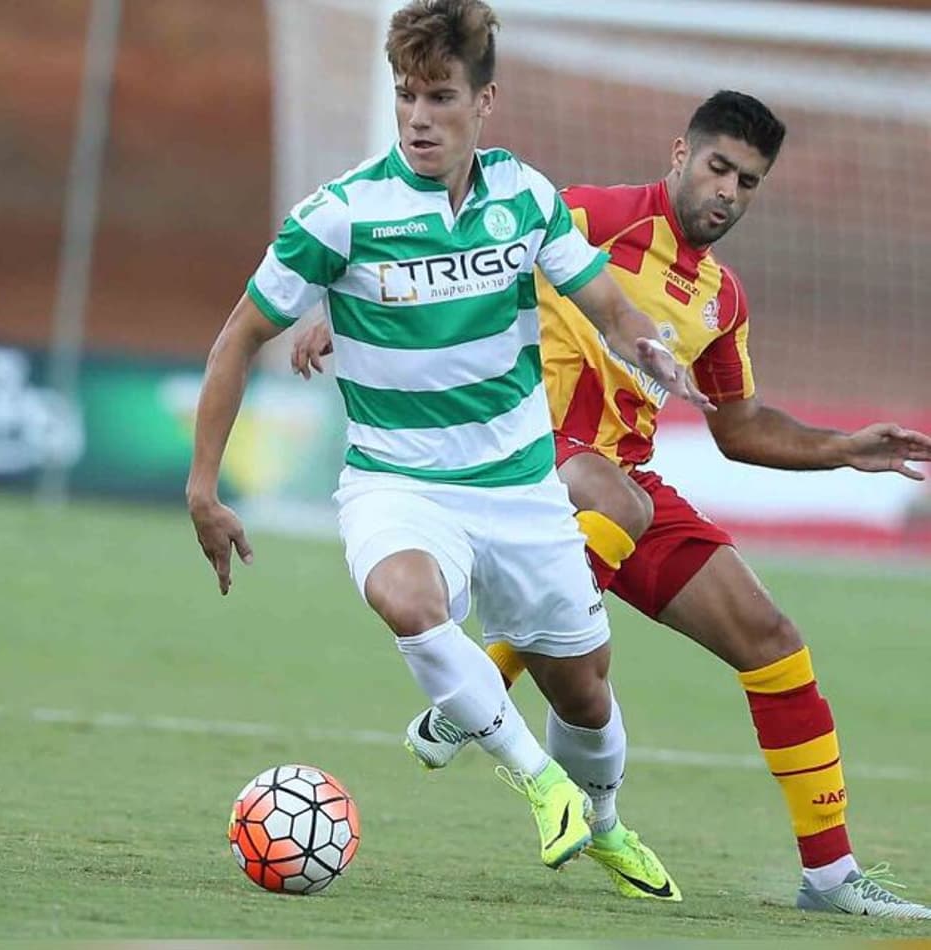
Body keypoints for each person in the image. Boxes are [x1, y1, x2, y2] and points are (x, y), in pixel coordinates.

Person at [291, 90, 931, 918]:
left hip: (621, 491)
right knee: (614, 499)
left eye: (748, 181)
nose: (728, 191)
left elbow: (739, 428)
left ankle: (832, 877)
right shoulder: (591, 215)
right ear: (680, 153)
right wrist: (343, 309)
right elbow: (451, 250)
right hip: (521, 459)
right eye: (718, 168)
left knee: (773, 640)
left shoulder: (722, 298)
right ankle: (488, 682)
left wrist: (846, 449)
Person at [187, 0, 713, 897]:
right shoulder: (341, 214)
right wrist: (204, 486)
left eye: (439, 97)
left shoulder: (525, 197)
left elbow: (606, 303)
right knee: (405, 597)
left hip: (520, 487)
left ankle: (604, 823)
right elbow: (237, 337)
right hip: (397, 484)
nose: (418, 118)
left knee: (585, 692)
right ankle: (539, 784)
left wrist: (648, 347)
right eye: (406, 96)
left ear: (484, 101)